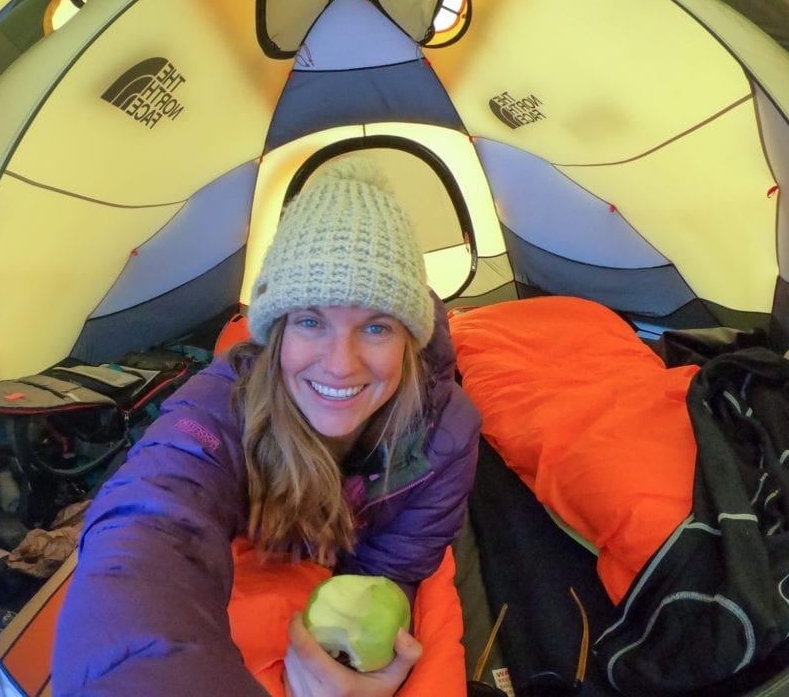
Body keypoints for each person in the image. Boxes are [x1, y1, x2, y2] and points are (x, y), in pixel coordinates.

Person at [52, 158, 481, 696]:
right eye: (310, 321)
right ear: (275, 333)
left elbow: (391, 568)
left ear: (409, 340)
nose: (341, 365)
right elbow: (152, 531)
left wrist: (351, 666)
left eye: (376, 326)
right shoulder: (221, 404)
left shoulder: (447, 432)